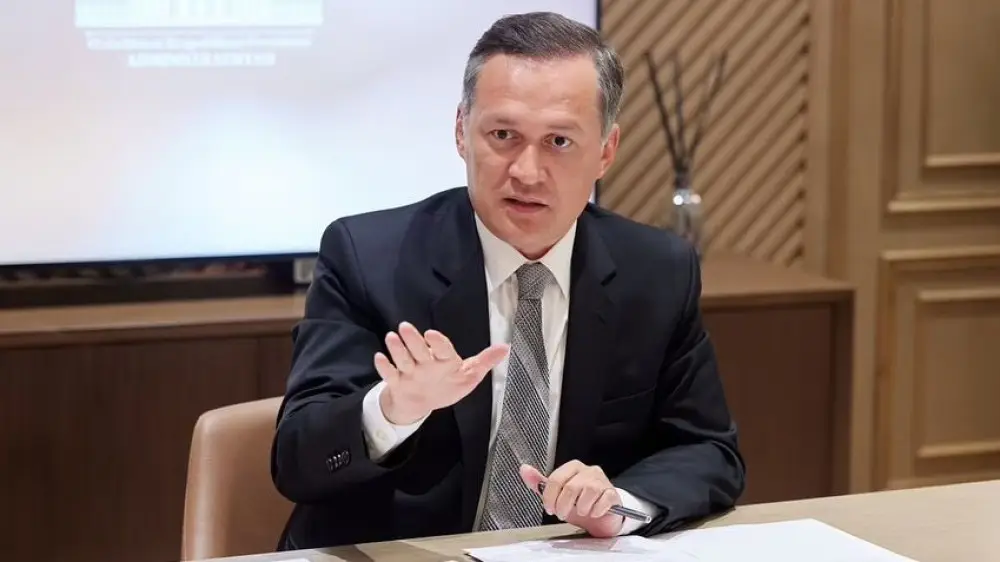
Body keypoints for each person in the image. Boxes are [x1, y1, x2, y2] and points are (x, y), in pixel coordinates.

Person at [270, 11, 745, 550]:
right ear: (461, 131)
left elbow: (708, 451)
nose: (526, 172)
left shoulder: (657, 271)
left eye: (559, 141)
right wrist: (393, 408)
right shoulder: (368, 258)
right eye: (503, 135)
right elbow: (297, 461)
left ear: (606, 152)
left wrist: (619, 503)